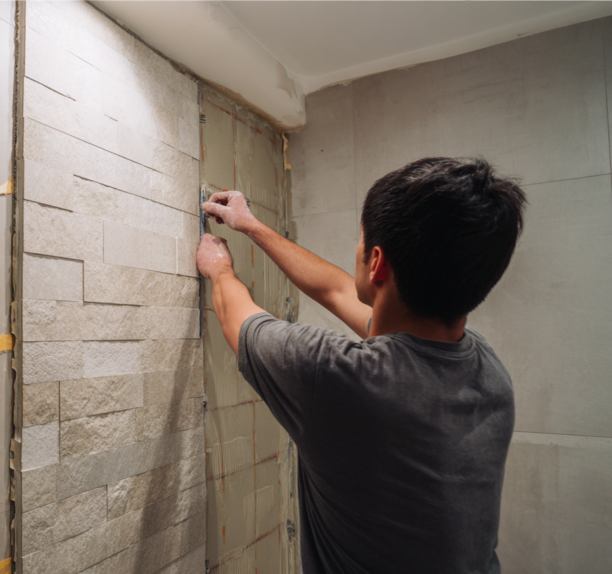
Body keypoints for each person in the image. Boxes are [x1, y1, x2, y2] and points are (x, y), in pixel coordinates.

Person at [197, 157, 527, 574]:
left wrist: (219, 268)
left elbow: (236, 317)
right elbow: (336, 291)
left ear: (376, 262)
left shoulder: (337, 376)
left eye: (361, 241)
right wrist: (251, 226)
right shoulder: (487, 369)